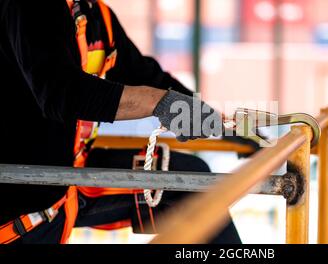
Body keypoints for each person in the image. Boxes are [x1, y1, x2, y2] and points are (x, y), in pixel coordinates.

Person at [0, 0, 241, 244]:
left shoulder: (96, 16)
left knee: (193, 180)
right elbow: (62, 94)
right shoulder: (29, 7)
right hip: (22, 204)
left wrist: (222, 126)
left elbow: (144, 75)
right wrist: (159, 102)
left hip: (71, 178)